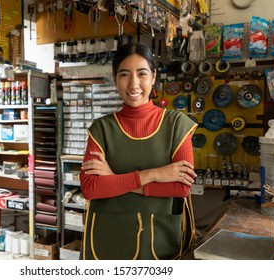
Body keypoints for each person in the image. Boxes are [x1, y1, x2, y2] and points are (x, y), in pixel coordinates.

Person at [80, 42, 198, 260]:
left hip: (160, 241)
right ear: (115, 78)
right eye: (124, 74)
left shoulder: (176, 125)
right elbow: (91, 188)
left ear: (153, 77)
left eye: (141, 74)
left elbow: (180, 188)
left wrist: (114, 180)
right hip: (107, 240)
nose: (133, 84)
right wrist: (154, 174)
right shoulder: (101, 129)